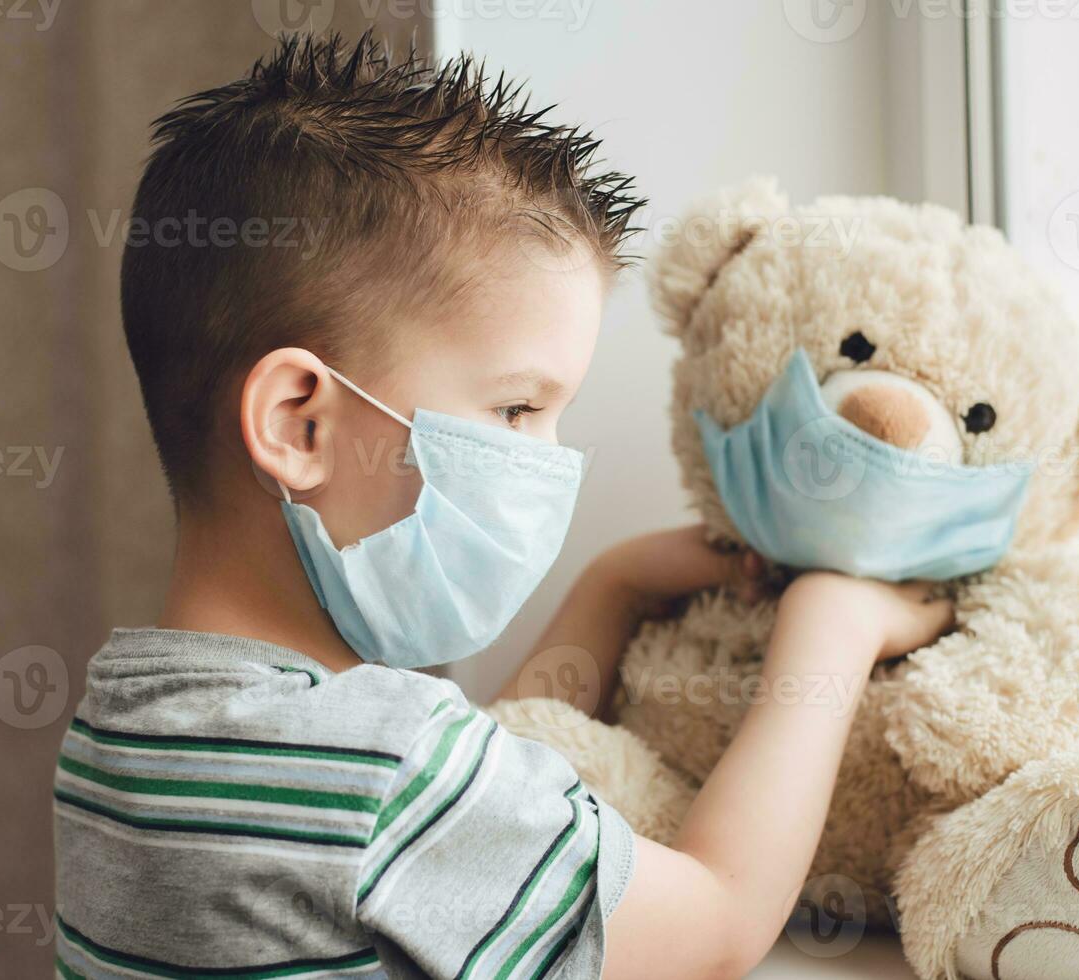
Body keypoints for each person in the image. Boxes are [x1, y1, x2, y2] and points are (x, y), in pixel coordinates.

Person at [52, 32, 952, 980]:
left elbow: (475, 815)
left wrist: (610, 591)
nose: (549, 466)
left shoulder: (124, 722)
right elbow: (717, 924)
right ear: (301, 425)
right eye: (516, 409)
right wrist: (829, 636)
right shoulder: (385, 773)